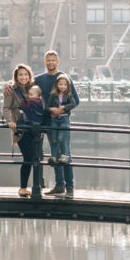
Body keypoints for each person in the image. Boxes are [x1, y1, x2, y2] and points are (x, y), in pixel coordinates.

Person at [35, 50, 80, 196]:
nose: (51, 62)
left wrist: (62, 110)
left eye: (53, 60)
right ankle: (59, 185)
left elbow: (76, 100)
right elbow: (23, 86)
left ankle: (70, 187)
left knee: (65, 153)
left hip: (63, 122)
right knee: (55, 152)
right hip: (49, 122)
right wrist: (8, 86)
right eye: (48, 60)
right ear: (44, 62)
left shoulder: (64, 78)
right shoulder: (39, 79)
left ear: (57, 61)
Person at [2, 63, 41, 196]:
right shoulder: (11, 90)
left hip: (34, 128)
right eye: (20, 75)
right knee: (28, 157)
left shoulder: (33, 88)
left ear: (29, 76)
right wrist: (10, 121)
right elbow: (6, 107)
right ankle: (23, 187)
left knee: (36, 156)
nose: (23, 77)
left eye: (26, 74)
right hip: (21, 129)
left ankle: (37, 185)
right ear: (16, 77)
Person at [46, 74, 75, 168]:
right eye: (60, 84)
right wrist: (51, 109)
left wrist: (64, 107)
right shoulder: (53, 95)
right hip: (54, 119)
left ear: (68, 86)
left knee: (61, 137)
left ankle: (64, 156)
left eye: (65, 85)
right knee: (54, 139)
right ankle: (53, 157)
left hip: (64, 119)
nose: (62, 86)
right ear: (57, 85)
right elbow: (47, 107)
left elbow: (73, 104)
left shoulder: (69, 95)